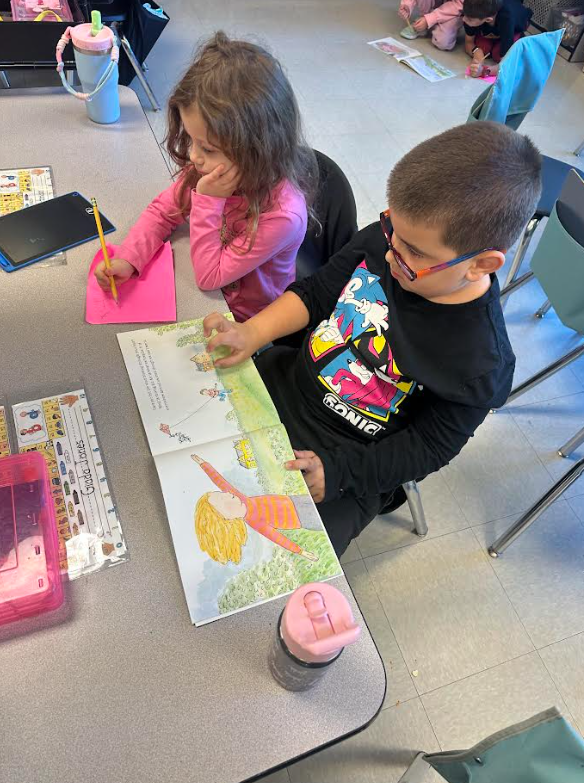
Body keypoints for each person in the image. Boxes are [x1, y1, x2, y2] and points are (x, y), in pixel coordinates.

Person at [199, 122, 542, 556]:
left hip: (351, 459)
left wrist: (340, 473)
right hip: (283, 383)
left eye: (415, 253)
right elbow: (317, 292)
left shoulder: (482, 364)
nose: (393, 253)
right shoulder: (391, 242)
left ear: (481, 264)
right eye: (392, 227)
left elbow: (429, 447)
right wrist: (253, 332)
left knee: (271, 560)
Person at [94, 32, 317, 322]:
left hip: (247, 321)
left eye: (207, 148)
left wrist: (209, 201)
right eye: (192, 140)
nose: (194, 156)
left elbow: (209, 277)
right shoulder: (215, 167)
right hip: (206, 299)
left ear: (257, 149)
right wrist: (129, 258)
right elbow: (163, 212)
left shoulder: (282, 215)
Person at [191, 454, 318, 564]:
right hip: (303, 517)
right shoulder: (254, 521)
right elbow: (277, 537)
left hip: (296, 500)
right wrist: (300, 551)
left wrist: (203, 464)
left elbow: (220, 482)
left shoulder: (242, 500)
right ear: (226, 518)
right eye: (222, 499)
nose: (227, 493)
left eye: (222, 493)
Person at [463, 0, 533, 77]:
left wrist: (484, 71)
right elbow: (469, 42)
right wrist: (477, 52)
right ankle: (494, 36)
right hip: (495, 24)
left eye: (470, 19)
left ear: (488, 19)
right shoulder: (471, 13)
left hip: (514, 26)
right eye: (464, 14)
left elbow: (506, 65)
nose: (464, 19)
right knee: (483, 48)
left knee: (499, 55)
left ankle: (517, 36)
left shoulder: (507, 18)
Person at [399, 0, 464, 51]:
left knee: (443, 43)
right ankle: (424, 18)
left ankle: (427, 22)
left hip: (452, 11)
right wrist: (407, 5)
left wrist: (430, 19)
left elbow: (459, 4)